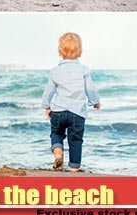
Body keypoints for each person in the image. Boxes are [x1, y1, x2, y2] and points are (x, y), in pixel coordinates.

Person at [42, 33, 100, 172]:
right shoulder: (84, 70)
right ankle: (74, 168)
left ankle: (58, 154)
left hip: (58, 111)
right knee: (75, 140)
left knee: (56, 133)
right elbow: (90, 89)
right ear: (79, 50)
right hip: (77, 113)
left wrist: (46, 106)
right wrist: (95, 101)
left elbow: (48, 92)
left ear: (60, 50)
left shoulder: (55, 71)